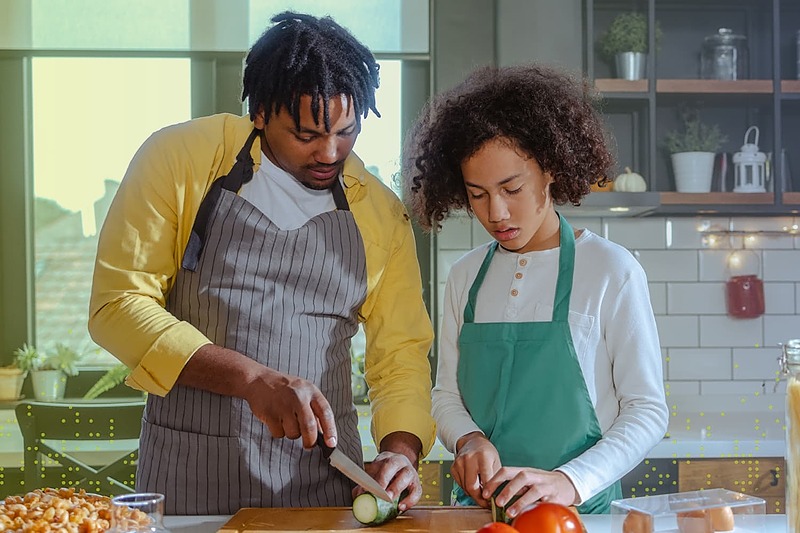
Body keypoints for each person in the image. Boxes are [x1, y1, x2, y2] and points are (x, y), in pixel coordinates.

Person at [89, 12, 435, 515]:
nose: (330, 152)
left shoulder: (379, 212)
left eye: (346, 130)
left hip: (327, 493)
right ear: (259, 113)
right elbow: (117, 306)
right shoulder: (181, 159)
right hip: (190, 481)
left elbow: (400, 354)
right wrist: (251, 380)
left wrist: (399, 452)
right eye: (306, 134)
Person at [402, 64, 668, 516]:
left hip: (579, 515)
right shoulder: (466, 275)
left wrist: (569, 481)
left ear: (549, 167)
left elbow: (646, 410)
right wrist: (469, 439)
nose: (497, 213)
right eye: (478, 194)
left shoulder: (611, 270)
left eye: (511, 188)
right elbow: (446, 395)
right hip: (478, 514)